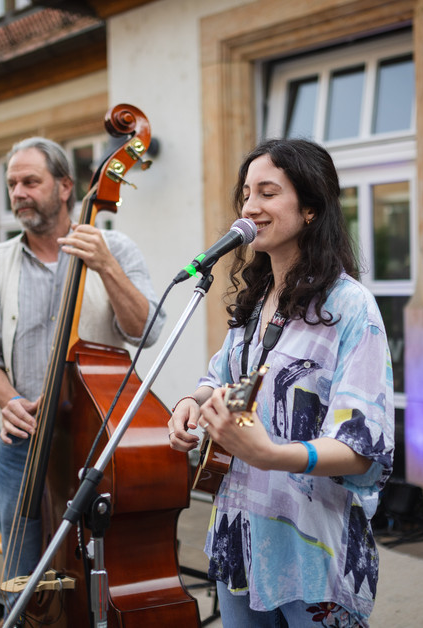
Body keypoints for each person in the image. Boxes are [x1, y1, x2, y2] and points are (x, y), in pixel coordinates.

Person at [168, 138, 394, 627]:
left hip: (313, 552)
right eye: (246, 193)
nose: (250, 207)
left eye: (267, 193)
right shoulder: (256, 297)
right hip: (238, 537)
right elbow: (222, 375)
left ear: (310, 207)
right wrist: (193, 399)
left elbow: (362, 450)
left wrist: (271, 453)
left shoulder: (351, 308)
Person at [0, 136, 166, 599]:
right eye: (12, 183)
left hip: (98, 442)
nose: (18, 192)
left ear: (64, 187)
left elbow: (147, 332)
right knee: (22, 575)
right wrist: (8, 399)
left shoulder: (115, 247)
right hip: (24, 445)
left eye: (30, 181)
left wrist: (106, 268)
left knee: (109, 567)